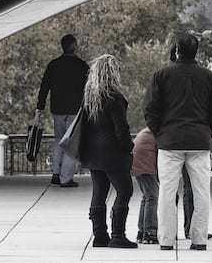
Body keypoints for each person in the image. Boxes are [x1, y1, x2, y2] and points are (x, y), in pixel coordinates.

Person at [144, 33, 212, 251]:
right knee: (201, 193)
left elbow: (150, 109)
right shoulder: (209, 77)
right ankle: (199, 239)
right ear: (196, 51)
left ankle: (167, 240)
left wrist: (159, 133)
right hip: (199, 140)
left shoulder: (161, 75)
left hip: (170, 141)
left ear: (177, 50)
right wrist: (209, 132)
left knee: (167, 193)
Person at [80, 54, 137, 248]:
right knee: (125, 190)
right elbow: (121, 129)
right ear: (112, 73)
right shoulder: (115, 98)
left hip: (93, 152)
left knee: (99, 193)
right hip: (112, 152)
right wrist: (129, 147)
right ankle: (118, 235)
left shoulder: (89, 98)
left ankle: (99, 235)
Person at [36, 34, 89, 187]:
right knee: (71, 143)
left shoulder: (53, 65)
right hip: (75, 110)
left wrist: (40, 105)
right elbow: (89, 88)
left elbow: (44, 87)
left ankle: (55, 173)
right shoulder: (82, 66)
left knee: (58, 140)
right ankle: (66, 178)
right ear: (75, 46)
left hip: (57, 109)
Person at [131, 126, 158, 244]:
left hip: (137, 159)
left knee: (147, 196)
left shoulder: (149, 130)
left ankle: (142, 231)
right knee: (152, 196)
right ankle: (150, 232)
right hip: (144, 162)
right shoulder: (161, 130)